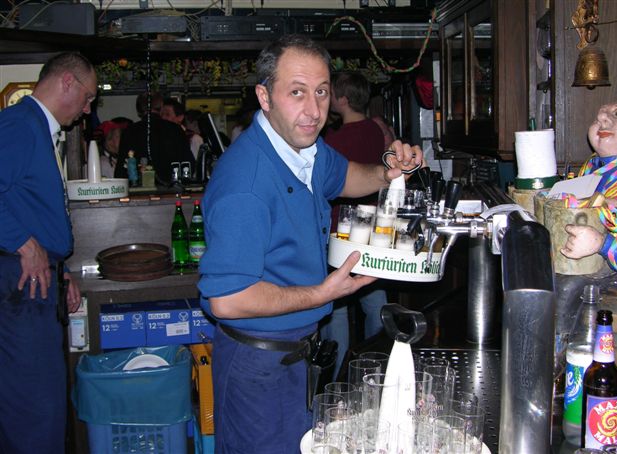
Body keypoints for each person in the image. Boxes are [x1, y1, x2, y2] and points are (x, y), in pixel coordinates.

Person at [197, 34, 423, 453]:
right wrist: (323, 293)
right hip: (256, 367)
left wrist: (386, 173)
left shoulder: (305, 150)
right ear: (264, 96)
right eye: (297, 92)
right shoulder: (245, 184)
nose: (315, 111)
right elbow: (227, 299)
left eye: (321, 92)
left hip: (299, 355)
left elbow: (346, 177)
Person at [0, 51, 89, 454]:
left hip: (37, 278)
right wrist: (23, 242)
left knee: (44, 400)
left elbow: (25, 203)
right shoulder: (21, 124)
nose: (87, 109)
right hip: (19, 283)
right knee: (34, 405)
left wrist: (58, 269)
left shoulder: (35, 127)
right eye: (88, 97)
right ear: (67, 81)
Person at [321, 71, 389, 377]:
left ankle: (336, 377)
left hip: (342, 229)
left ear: (343, 100)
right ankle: (375, 368)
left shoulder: (334, 140)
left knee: (337, 306)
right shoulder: (376, 130)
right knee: (374, 300)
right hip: (374, 227)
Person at [562, 102, 617, 312]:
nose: (602, 120)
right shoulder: (590, 167)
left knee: (566, 292)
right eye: (597, 118)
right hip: (590, 268)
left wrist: (601, 243)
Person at [114, 92, 194, 185]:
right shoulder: (175, 129)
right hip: (170, 187)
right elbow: (188, 163)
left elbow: (121, 170)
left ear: (139, 110)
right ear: (161, 107)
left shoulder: (129, 131)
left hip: (138, 187)